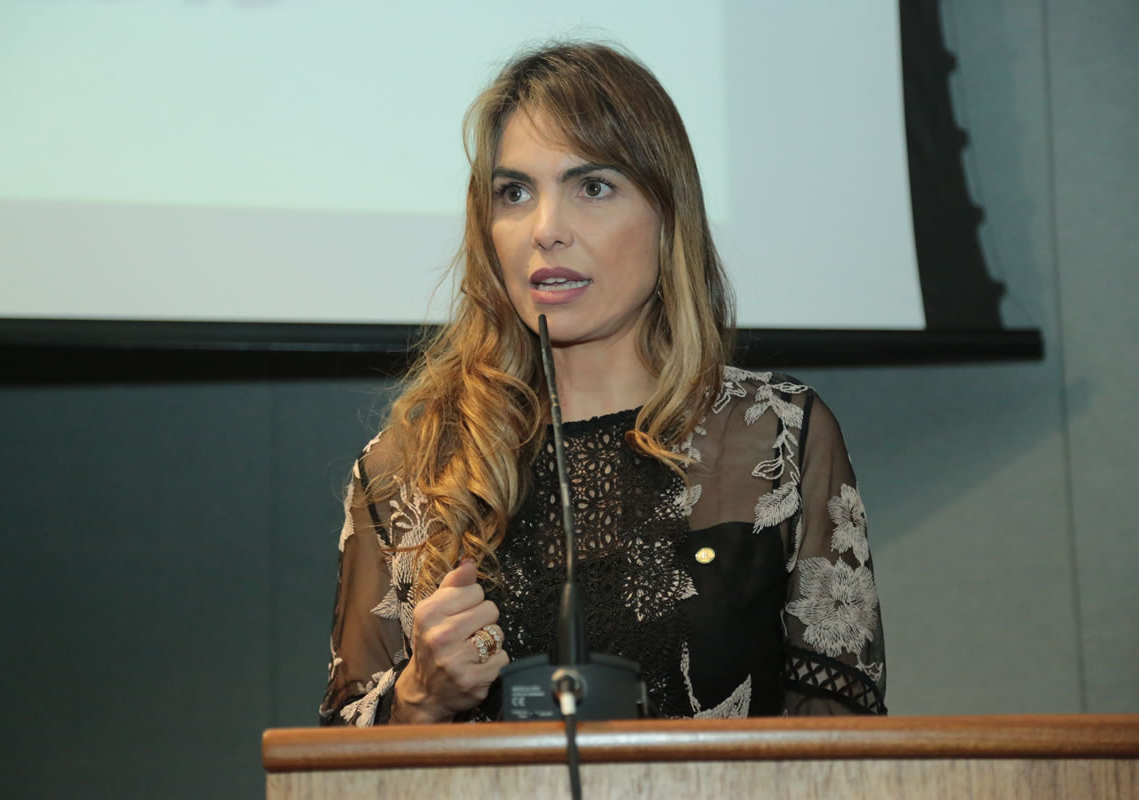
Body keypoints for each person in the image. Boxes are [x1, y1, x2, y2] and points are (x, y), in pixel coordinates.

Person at [320, 42, 886, 726]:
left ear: (667, 214)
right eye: (514, 193)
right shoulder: (409, 469)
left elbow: (842, 744)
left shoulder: (775, 435)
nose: (546, 230)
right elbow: (340, 758)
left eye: (592, 187)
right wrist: (419, 698)